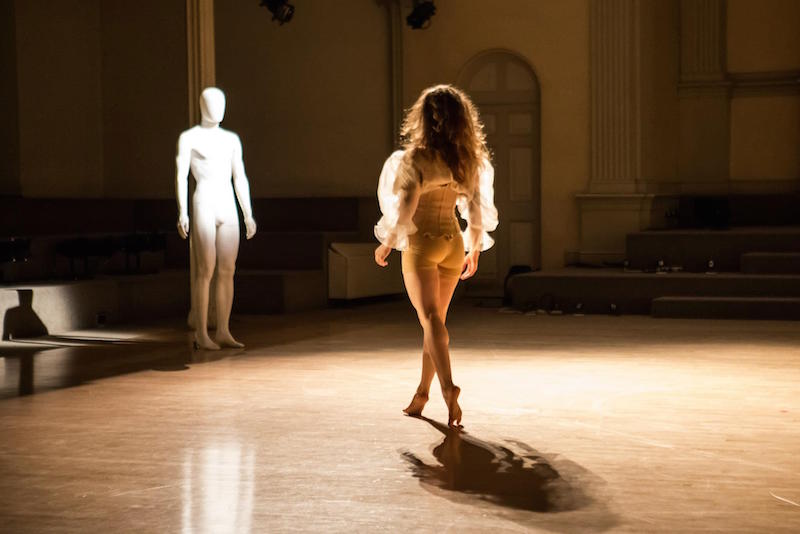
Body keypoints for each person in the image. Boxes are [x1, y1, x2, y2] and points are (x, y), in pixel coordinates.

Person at [374, 84, 498, 427]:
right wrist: (473, 249)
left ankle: (448, 387)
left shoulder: (417, 158)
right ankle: (422, 393)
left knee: (430, 320)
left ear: (425, 119)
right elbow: (474, 212)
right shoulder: (467, 160)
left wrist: (388, 241)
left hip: (423, 242)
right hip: (452, 243)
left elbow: (407, 206)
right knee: (436, 323)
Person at [175, 87, 257, 350]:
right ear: (202, 105)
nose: (218, 108)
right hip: (204, 202)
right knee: (205, 270)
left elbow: (239, 176)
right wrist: (182, 212)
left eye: (221, 102)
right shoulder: (189, 137)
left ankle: (223, 329)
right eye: (212, 103)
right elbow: (181, 175)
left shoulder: (231, 139)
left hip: (227, 204)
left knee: (227, 270)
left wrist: (248, 213)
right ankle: (201, 332)